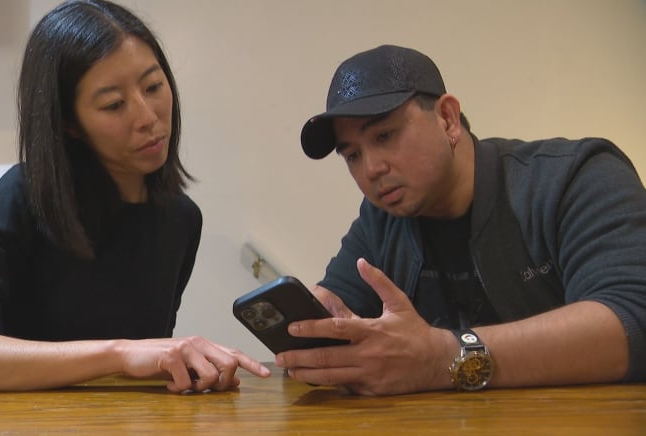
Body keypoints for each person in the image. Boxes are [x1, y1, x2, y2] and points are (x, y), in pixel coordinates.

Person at [0, 0, 269, 396]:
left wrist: (183, 365)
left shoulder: (181, 219)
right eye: (114, 104)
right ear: (69, 123)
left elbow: (141, 364)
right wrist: (119, 354)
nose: (148, 116)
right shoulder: (25, 195)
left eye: (153, 86)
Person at [275, 44, 646, 395]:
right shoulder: (382, 220)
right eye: (352, 155)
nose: (371, 168)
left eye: (385, 135)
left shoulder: (575, 178)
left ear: (447, 118)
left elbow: (632, 319)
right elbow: (335, 310)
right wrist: (312, 331)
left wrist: (443, 357)